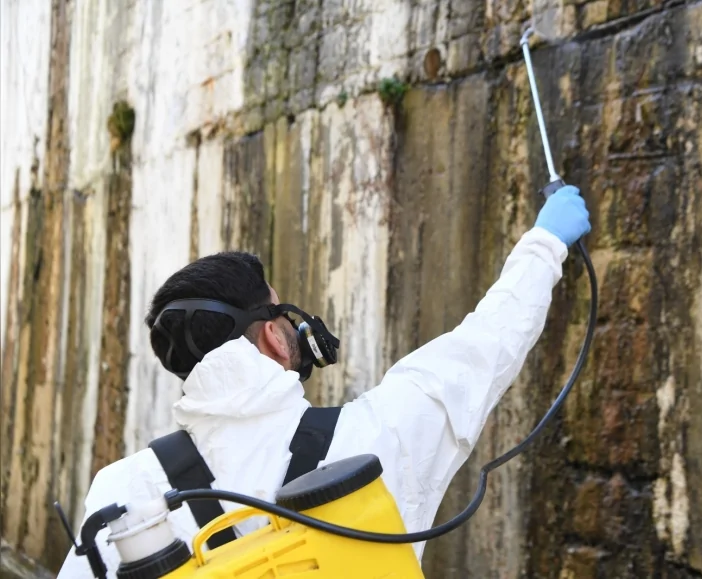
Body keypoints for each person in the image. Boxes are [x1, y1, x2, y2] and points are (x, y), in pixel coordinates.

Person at [57, 185, 591, 577]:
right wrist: (545, 243)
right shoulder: (370, 446)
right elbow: (482, 347)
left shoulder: (123, 491)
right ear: (271, 335)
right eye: (282, 312)